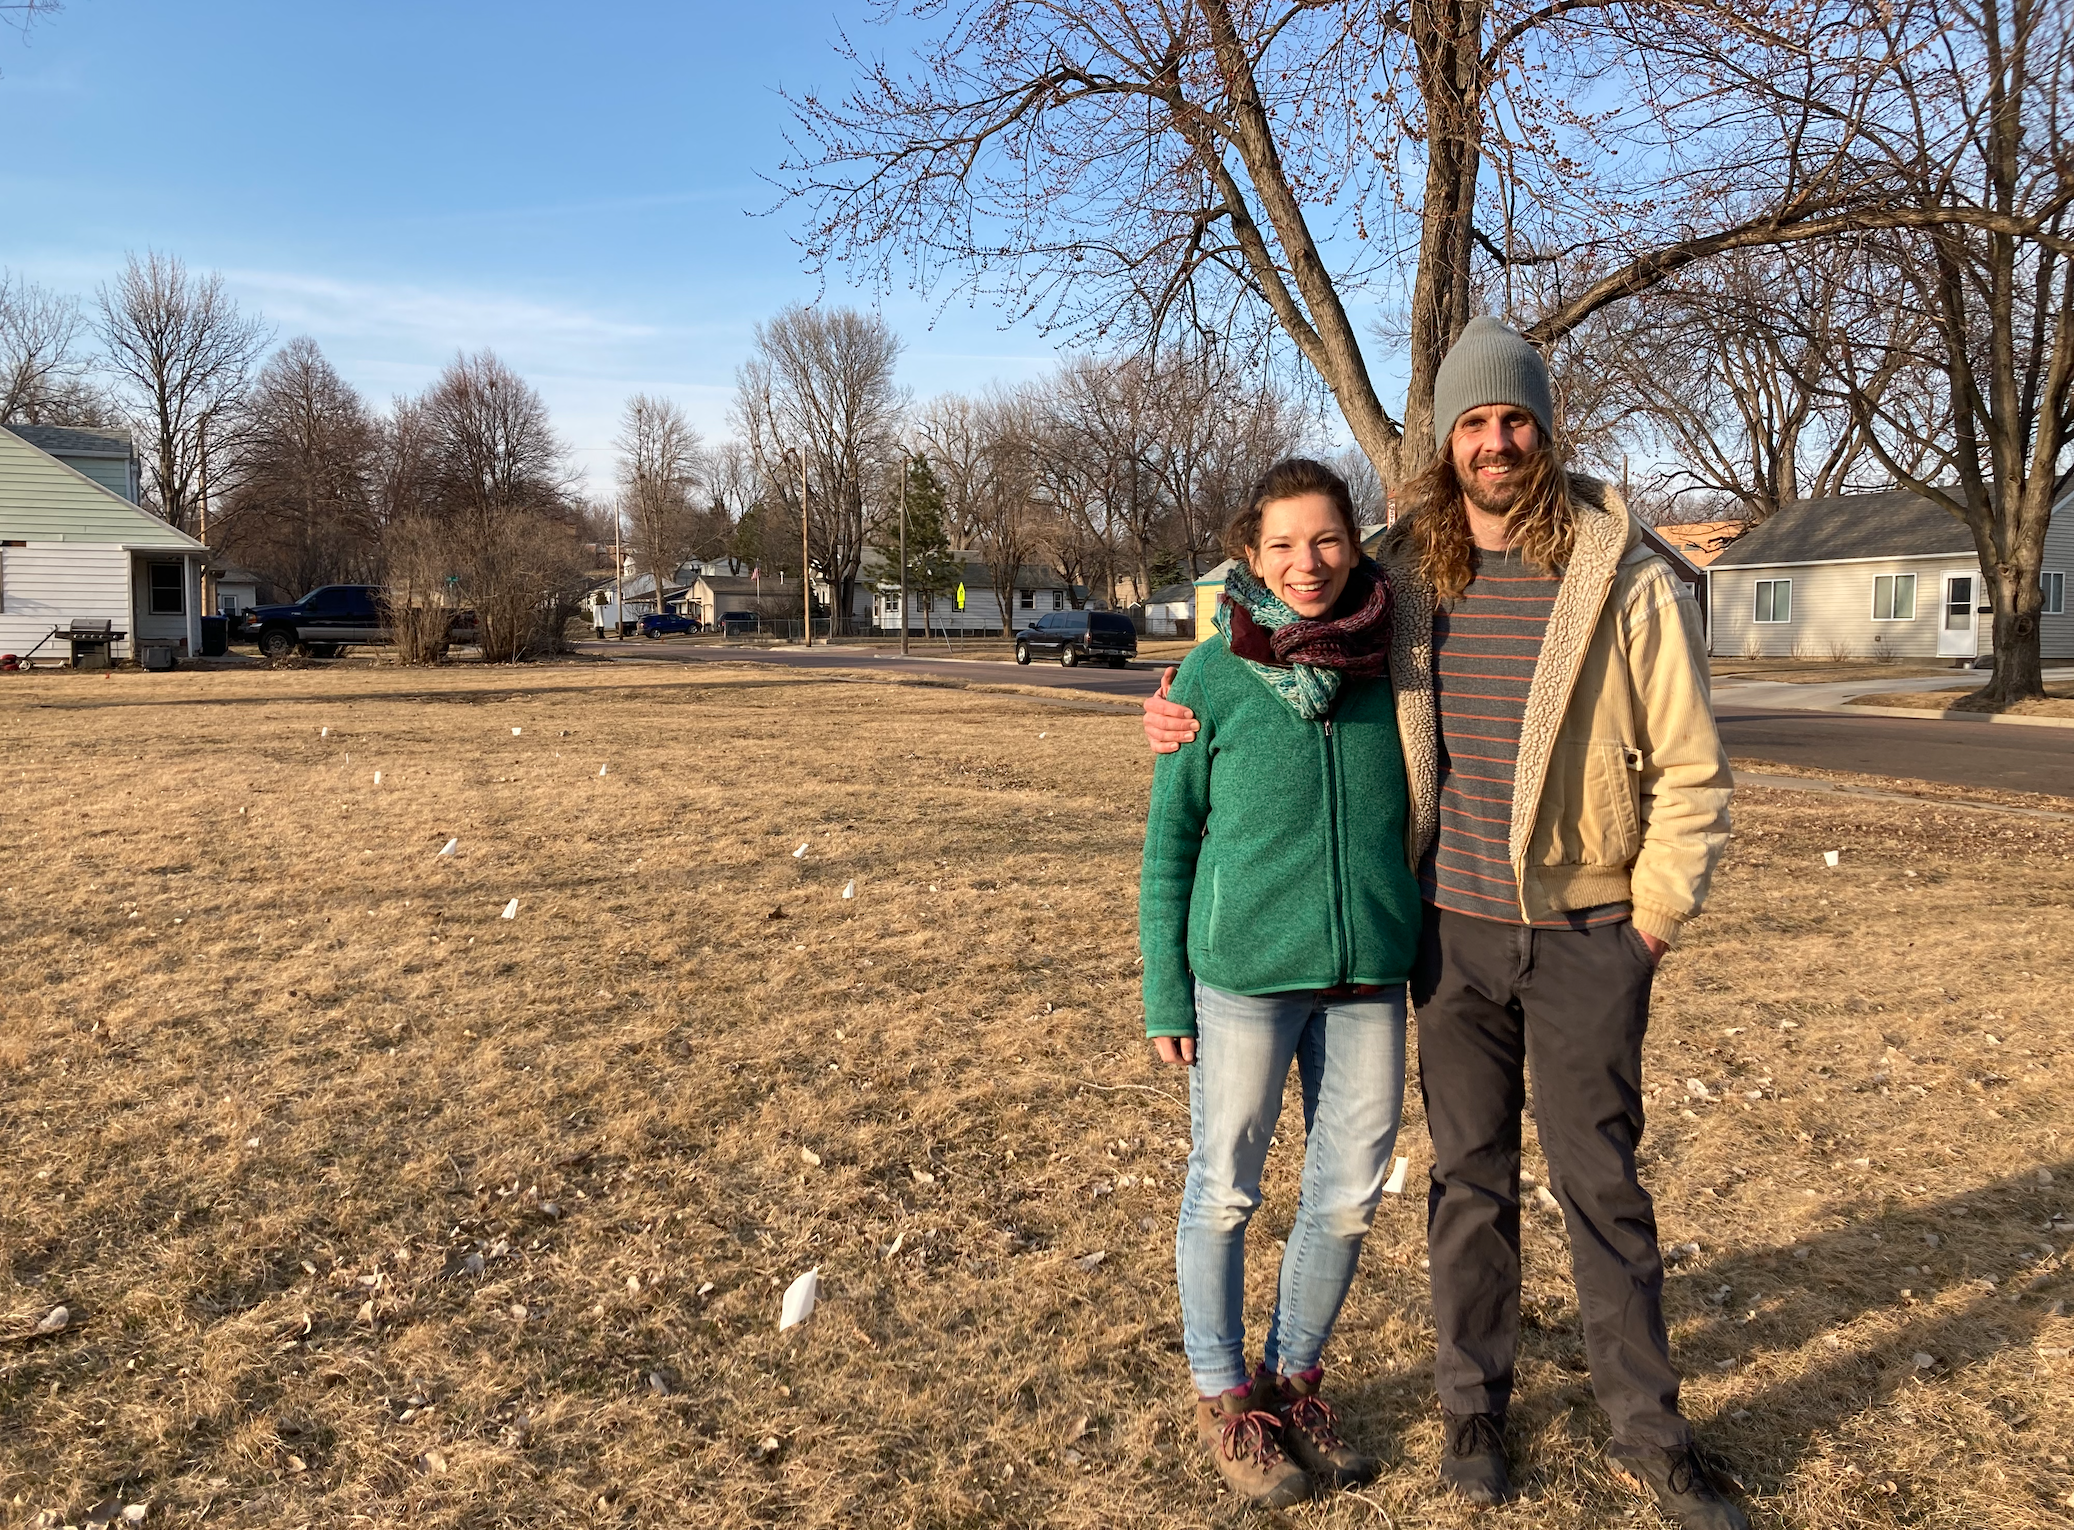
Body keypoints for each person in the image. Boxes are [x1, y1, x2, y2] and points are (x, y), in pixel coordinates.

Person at [1142, 320, 1742, 1529]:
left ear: (1542, 427)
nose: (1495, 441)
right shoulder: (1401, 576)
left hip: (1587, 931)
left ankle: (1648, 1431)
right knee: (1466, 1183)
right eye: (1472, 422)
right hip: (1446, 934)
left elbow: (1693, 771)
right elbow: (1267, 639)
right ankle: (1471, 1414)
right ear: (1446, 442)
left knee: (1600, 1188)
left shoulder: (1620, 576)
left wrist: (1650, 927)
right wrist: (1169, 707)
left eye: (1513, 418)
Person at [1140, 458, 1427, 1509]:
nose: (1306, 565)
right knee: (1224, 1192)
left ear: (1356, 544)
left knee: (1345, 1199)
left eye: (1326, 541)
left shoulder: (1397, 665)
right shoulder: (1210, 679)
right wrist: (1164, 992)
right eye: (1281, 546)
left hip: (1366, 978)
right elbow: (1170, 845)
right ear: (1248, 558)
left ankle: (1293, 1378)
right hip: (1245, 979)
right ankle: (1225, 1398)